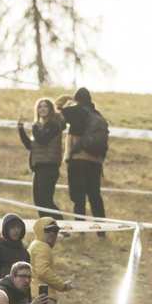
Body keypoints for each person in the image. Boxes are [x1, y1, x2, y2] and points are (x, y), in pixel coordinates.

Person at [59, 89, 108, 226]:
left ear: (77, 99)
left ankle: (80, 228)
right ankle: (101, 230)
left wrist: (65, 98)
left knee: (78, 197)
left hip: (77, 158)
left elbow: (56, 111)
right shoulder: (97, 114)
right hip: (95, 161)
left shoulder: (74, 111)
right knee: (95, 197)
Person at [17, 98, 64, 211]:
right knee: (39, 202)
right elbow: (30, 146)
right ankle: (46, 222)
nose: (42, 109)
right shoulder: (41, 127)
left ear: (50, 109)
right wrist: (21, 130)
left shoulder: (53, 125)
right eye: (40, 107)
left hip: (49, 168)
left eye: (45, 106)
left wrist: (34, 126)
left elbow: (42, 139)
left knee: (46, 202)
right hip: (39, 168)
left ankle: (59, 221)